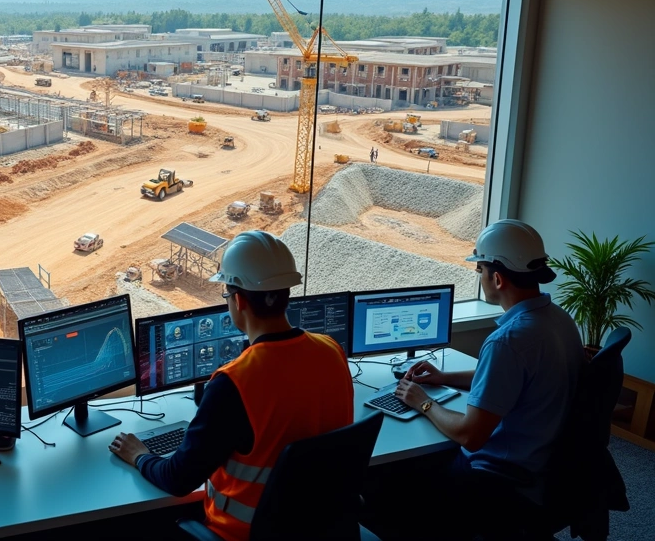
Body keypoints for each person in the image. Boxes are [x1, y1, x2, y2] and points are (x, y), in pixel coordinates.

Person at [108, 231, 354, 541]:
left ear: (237, 300)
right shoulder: (331, 350)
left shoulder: (234, 382)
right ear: (285, 293)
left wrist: (139, 455)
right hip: (322, 527)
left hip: (242, 534)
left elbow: (179, 479)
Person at [377, 220, 582, 540]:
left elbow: (470, 435)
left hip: (499, 476)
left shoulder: (509, 340)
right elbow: (512, 380)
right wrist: (444, 377)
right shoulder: (558, 320)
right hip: (543, 460)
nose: (479, 276)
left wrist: (423, 401)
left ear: (497, 278)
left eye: (480, 270)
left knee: (391, 479)